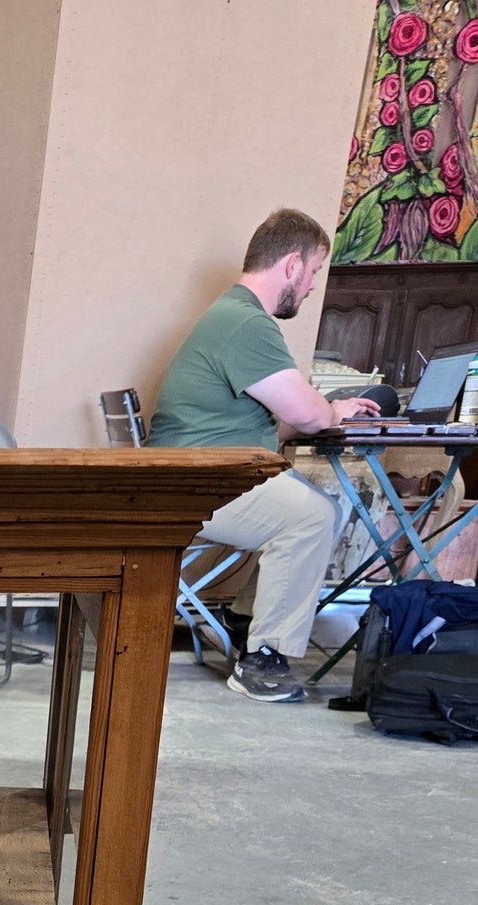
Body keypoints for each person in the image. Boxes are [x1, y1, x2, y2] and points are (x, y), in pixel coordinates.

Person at [146, 208, 380, 704]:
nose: (315, 284)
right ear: (292, 265)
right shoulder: (246, 323)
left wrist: (320, 411)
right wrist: (333, 409)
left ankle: (248, 621)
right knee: (316, 515)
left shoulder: (232, 315)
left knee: (305, 506)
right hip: (197, 479)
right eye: (316, 270)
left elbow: (278, 419)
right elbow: (310, 414)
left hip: (200, 470)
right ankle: (263, 659)